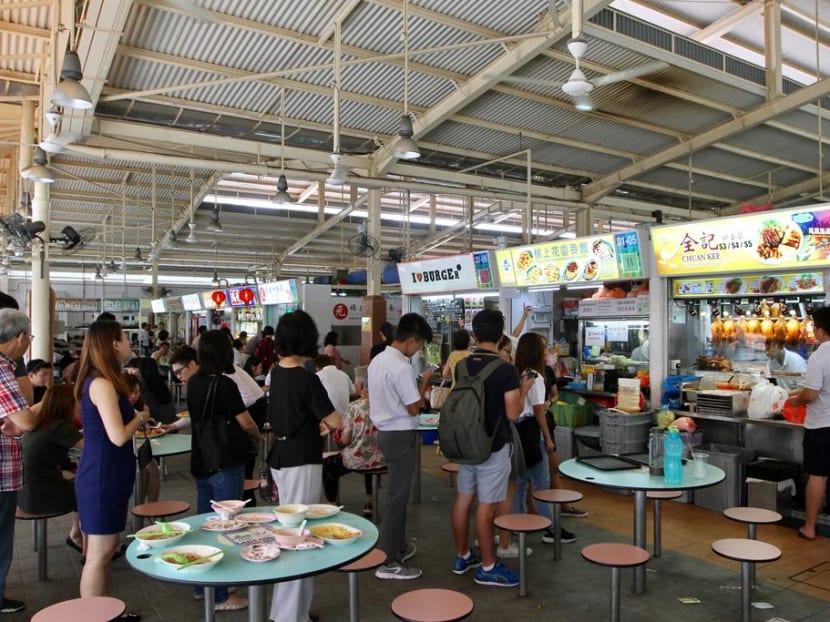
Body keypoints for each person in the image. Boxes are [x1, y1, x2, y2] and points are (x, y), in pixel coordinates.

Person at [267, 310, 341, 622]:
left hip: (281, 456)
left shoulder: (276, 373)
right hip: (302, 460)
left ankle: (287, 611)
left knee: (288, 533)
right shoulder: (307, 378)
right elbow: (335, 419)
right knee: (299, 537)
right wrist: (323, 425)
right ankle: (289, 616)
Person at [73, 319, 150, 619]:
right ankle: (94, 615)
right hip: (102, 475)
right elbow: (117, 435)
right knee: (98, 555)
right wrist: (139, 418)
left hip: (105, 472)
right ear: (114, 344)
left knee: (103, 552)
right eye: (125, 337)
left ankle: (104, 612)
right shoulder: (102, 384)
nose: (129, 342)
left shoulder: (102, 380)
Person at [449, 309, 527, 587]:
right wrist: (524, 388)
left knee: (464, 498)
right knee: (487, 506)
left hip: (465, 442)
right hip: (493, 446)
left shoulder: (462, 365)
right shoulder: (506, 370)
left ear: (474, 334)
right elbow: (513, 413)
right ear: (501, 333)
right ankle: (489, 565)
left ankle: (462, 555)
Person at [187, 331, 260, 611]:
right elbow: (245, 422)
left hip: (201, 460)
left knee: (205, 525)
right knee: (227, 527)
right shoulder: (225, 384)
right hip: (225, 461)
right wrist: (255, 437)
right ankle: (220, 596)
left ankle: (200, 585)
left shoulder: (193, 383)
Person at [369, 313, 434, 580]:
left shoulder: (378, 360)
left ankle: (399, 546)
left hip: (385, 432)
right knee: (397, 498)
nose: (418, 350)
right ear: (410, 340)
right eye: (419, 345)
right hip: (400, 434)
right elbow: (412, 407)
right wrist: (425, 381)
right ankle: (387, 560)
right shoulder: (401, 367)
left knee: (398, 494)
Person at [513, 332, 576, 545]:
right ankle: (549, 528)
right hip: (532, 431)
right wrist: (548, 438)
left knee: (521, 480)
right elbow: (539, 410)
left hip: (517, 431)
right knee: (541, 482)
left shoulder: (518, 373)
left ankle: (515, 522)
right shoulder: (536, 377)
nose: (547, 351)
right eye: (543, 347)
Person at [0, 309, 38, 614]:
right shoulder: (1, 369)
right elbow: (25, 421)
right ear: (21, 338)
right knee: (1, 538)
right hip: (1, 473)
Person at [19, 384, 84, 554]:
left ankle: (78, 534)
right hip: (41, 497)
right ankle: (80, 537)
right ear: (67, 404)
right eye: (77, 402)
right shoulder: (61, 426)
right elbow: (92, 446)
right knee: (89, 490)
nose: (80, 405)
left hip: (24, 494)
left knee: (79, 483)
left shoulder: (41, 422)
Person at [787, 307, 830, 541]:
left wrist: (795, 400)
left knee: (818, 475)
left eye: (814, 326)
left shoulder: (820, 356)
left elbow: (811, 395)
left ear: (821, 330)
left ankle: (810, 526)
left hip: (822, 426)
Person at [322, 383, 382, 516]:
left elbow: (345, 440)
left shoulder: (354, 407)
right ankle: (369, 502)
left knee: (328, 466)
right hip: (381, 459)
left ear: (362, 389)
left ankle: (331, 504)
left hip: (357, 459)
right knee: (370, 457)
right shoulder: (386, 405)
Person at [122, 373, 161, 504]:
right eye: (130, 392)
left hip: (141, 446)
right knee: (144, 471)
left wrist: (148, 423)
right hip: (124, 449)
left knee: (153, 469)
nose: (134, 396)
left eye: (137, 392)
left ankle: (151, 509)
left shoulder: (142, 407)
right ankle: (141, 509)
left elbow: (147, 428)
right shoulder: (117, 408)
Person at [125, 358, 177, 424]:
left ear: (140, 369)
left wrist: (132, 377)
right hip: (173, 419)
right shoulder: (160, 381)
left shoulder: (142, 382)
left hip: (157, 422)